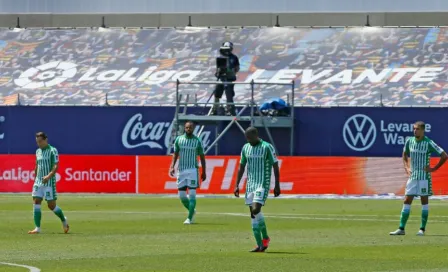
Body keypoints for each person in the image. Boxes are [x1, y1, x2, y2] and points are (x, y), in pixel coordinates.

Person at [390, 121, 447, 236]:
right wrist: (406, 167)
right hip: (413, 176)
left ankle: (422, 229)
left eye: (417, 129)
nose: (415, 131)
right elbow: (404, 154)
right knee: (407, 200)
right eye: (414, 129)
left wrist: (434, 168)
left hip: (424, 178)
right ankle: (401, 229)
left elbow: (444, 155)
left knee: (424, 201)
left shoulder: (428, 143)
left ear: (423, 130)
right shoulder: (409, 141)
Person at [234, 127, 281, 252]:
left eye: (250, 137)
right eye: (246, 138)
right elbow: (241, 166)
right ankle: (261, 244)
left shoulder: (267, 147)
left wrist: (277, 185)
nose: (248, 140)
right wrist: (236, 184)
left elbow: (275, 166)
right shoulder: (245, 148)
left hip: (262, 183)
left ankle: (265, 238)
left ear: (256, 135)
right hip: (250, 185)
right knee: (252, 215)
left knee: (256, 210)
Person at [29, 132, 69, 234]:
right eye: (37, 142)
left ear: (46, 139)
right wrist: (35, 177)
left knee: (51, 206)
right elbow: (37, 166)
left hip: (49, 182)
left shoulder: (52, 150)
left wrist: (48, 176)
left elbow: (55, 166)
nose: (39, 144)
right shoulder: (37, 151)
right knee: (36, 201)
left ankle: (63, 219)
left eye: (40, 141)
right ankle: (37, 228)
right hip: (38, 181)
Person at [169, 121, 207, 225]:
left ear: (193, 128)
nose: (188, 129)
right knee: (181, 196)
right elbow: (175, 154)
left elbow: (202, 157)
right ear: (184, 128)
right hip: (181, 170)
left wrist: (204, 171)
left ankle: (190, 218)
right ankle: (192, 211)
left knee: (192, 194)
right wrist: (172, 166)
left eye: (190, 128)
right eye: (187, 128)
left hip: (193, 170)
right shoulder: (179, 140)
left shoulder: (197, 141)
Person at [212, 41, 240, 116]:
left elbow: (237, 68)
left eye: (228, 48)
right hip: (221, 79)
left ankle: (230, 110)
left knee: (229, 95)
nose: (227, 50)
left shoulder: (234, 57)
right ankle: (215, 108)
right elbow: (218, 68)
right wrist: (218, 72)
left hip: (230, 79)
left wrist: (232, 71)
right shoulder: (221, 57)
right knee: (217, 94)